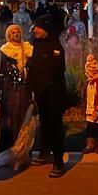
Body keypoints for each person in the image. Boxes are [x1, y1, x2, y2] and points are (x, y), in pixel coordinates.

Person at [28, 14, 68, 177]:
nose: (35, 30)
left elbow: (56, 70)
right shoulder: (34, 45)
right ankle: (44, 153)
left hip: (53, 94)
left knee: (55, 126)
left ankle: (58, 161)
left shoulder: (56, 47)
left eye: (38, 27)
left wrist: (44, 82)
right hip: (40, 93)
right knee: (43, 123)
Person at [0, 23, 32, 154]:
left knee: (23, 116)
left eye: (18, 31)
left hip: (24, 88)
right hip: (10, 88)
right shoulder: (6, 50)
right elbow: (2, 71)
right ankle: (8, 148)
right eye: (13, 32)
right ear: (9, 35)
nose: (16, 34)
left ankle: (22, 148)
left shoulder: (27, 48)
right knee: (10, 118)